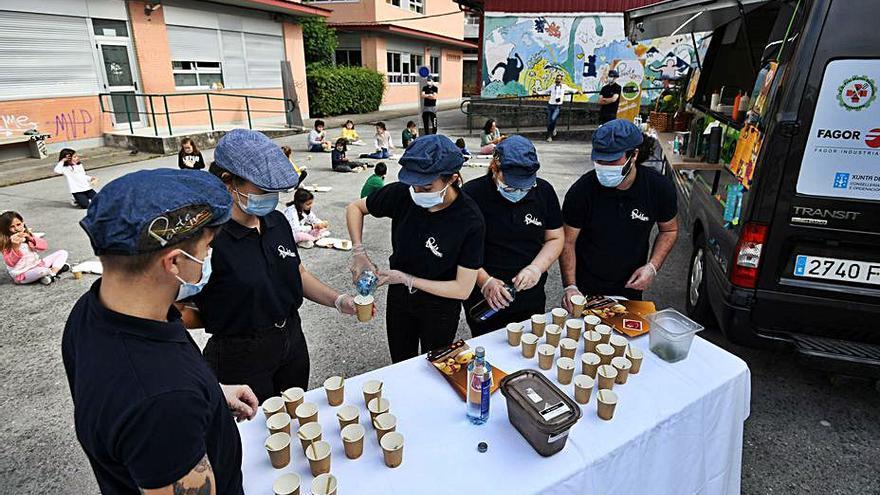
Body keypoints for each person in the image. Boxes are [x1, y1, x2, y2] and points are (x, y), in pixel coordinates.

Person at [62, 168, 258, 494]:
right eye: (207, 248)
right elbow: (156, 398)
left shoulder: (94, 309)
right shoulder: (164, 403)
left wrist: (210, 393)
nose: (209, 257)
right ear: (174, 263)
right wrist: (184, 400)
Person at [185, 129, 361, 402]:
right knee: (258, 429)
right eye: (263, 190)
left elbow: (297, 273)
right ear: (228, 181)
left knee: (295, 414)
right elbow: (173, 307)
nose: (272, 197)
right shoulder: (207, 238)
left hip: (291, 338)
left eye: (275, 191)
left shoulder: (276, 221)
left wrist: (339, 301)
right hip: (240, 352)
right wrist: (218, 318)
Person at [346, 135, 485, 363]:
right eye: (414, 183)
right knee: (401, 361)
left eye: (427, 186)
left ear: (452, 178)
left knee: (436, 364)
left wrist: (408, 279)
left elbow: (462, 289)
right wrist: (359, 252)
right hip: (400, 298)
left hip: (440, 304)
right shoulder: (403, 194)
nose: (418, 191)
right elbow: (355, 208)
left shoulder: (469, 219)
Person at [560, 119, 679, 307]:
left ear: (634, 155)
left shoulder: (659, 188)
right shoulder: (582, 191)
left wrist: (652, 267)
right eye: (599, 159)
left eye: (612, 160)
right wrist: (570, 286)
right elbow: (567, 241)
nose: (604, 165)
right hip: (586, 286)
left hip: (630, 284)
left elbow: (669, 230)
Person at [462, 135, 564, 336]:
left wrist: (536, 268)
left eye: (524, 187)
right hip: (486, 297)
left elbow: (555, 238)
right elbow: (460, 248)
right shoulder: (472, 195)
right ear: (495, 168)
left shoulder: (544, 192)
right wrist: (485, 280)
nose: (518, 192)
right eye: (511, 186)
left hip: (529, 294)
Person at [1, 211, 69, 285]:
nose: (16, 228)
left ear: (23, 223)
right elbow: (11, 263)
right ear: (5, 229)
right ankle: (55, 269)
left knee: (62, 252)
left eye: (18, 224)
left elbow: (44, 246)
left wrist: (30, 238)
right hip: (23, 273)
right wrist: (15, 247)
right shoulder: (6, 243)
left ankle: (52, 274)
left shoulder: (28, 235)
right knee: (42, 271)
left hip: (38, 264)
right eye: (12, 227)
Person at [536, 74, 580, 142]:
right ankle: (549, 135)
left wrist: (577, 91)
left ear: (561, 80)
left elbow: (571, 90)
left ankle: (551, 132)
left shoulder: (564, 86)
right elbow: (546, 91)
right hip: (550, 105)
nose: (557, 81)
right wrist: (537, 93)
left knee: (553, 119)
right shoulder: (552, 86)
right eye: (556, 79)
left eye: (559, 79)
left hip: (557, 106)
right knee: (549, 121)